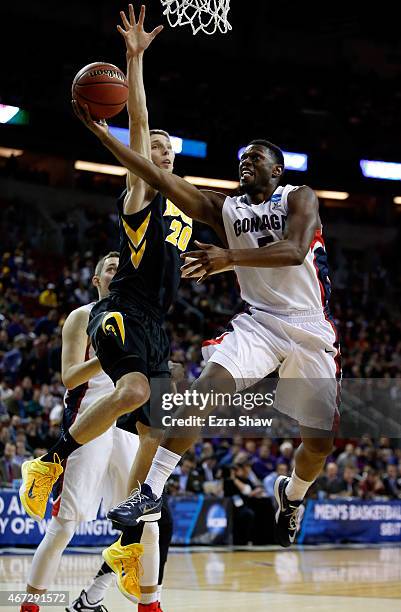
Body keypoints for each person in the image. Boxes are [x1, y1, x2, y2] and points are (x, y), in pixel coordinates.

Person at [69, 82, 341, 550]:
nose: (245, 162)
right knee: (201, 393)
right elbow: (157, 179)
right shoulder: (224, 207)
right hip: (259, 322)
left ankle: (292, 495)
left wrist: (229, 259)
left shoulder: (300, 197)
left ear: (277, 169)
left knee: (318, 445)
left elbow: (295, 252)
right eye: (242, 158)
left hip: (310, 329)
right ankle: (148, 492)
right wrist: (103, 136)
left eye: (255, 158)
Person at [19, 5, 182, 601]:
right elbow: (139, 127)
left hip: (156, 327)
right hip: (124, 320)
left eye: (167, 149)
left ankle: (141, 591)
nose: (159, 152)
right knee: (134, 392)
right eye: (153, 148)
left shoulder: (183, 210)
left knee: (148, 490)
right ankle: (51, 460)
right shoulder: (141, 193)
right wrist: (136, 61)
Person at [20, 252, 172, 612]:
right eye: (110, 267)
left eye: (123, 268)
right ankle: (29, 605)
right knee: (65, 524)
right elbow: (70, 377)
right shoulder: (81, 316)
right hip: (89, 418)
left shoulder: (139, 318)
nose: (118, 272)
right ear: (97, 280)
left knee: (148, 520)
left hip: (129, 425)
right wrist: (113, 355)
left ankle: (150, 605)